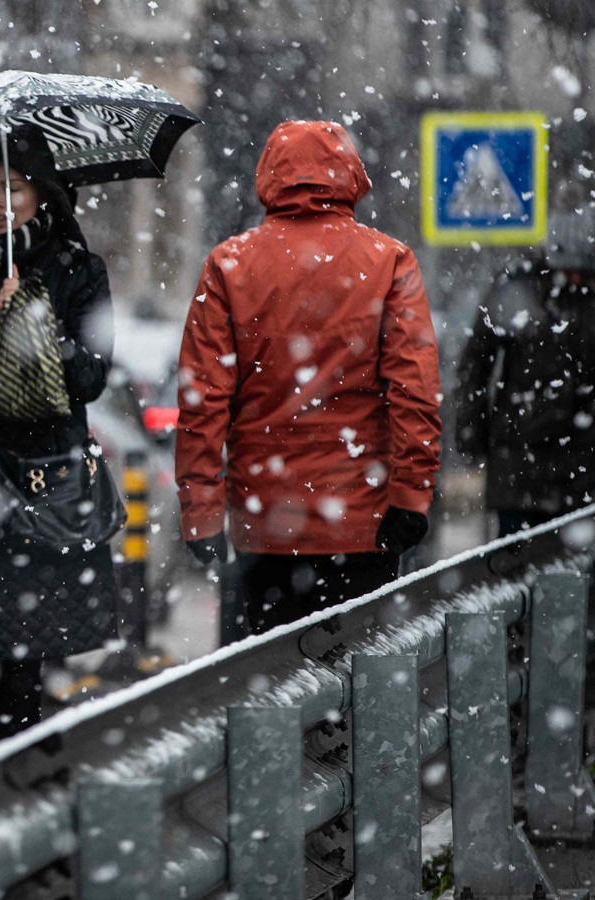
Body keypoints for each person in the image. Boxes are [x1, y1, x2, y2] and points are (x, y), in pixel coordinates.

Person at [175, 120, 442, 635]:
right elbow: (415, 393)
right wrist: (410, 497)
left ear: (269, 177)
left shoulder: (228, 266)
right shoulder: (389, 262)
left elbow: (202, 402)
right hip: (364, 522)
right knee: (363, 689)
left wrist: (202, 514)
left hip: (266, 525)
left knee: (274, 690)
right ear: (350, 174)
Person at [0, 127, 118, 752]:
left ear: (43, 195)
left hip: (39, 479)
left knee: (24, 645)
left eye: (11, 187)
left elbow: (90, 375)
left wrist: (34, 323)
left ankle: (10, 774)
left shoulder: (79, 271)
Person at [456, 199, 595, 535]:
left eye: (582, 271)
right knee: (518, 577)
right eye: (568, 270)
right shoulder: (517, 287)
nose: (575, 279)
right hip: (523, 470)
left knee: (591, 579)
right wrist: (471, 432)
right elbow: (476, 362)